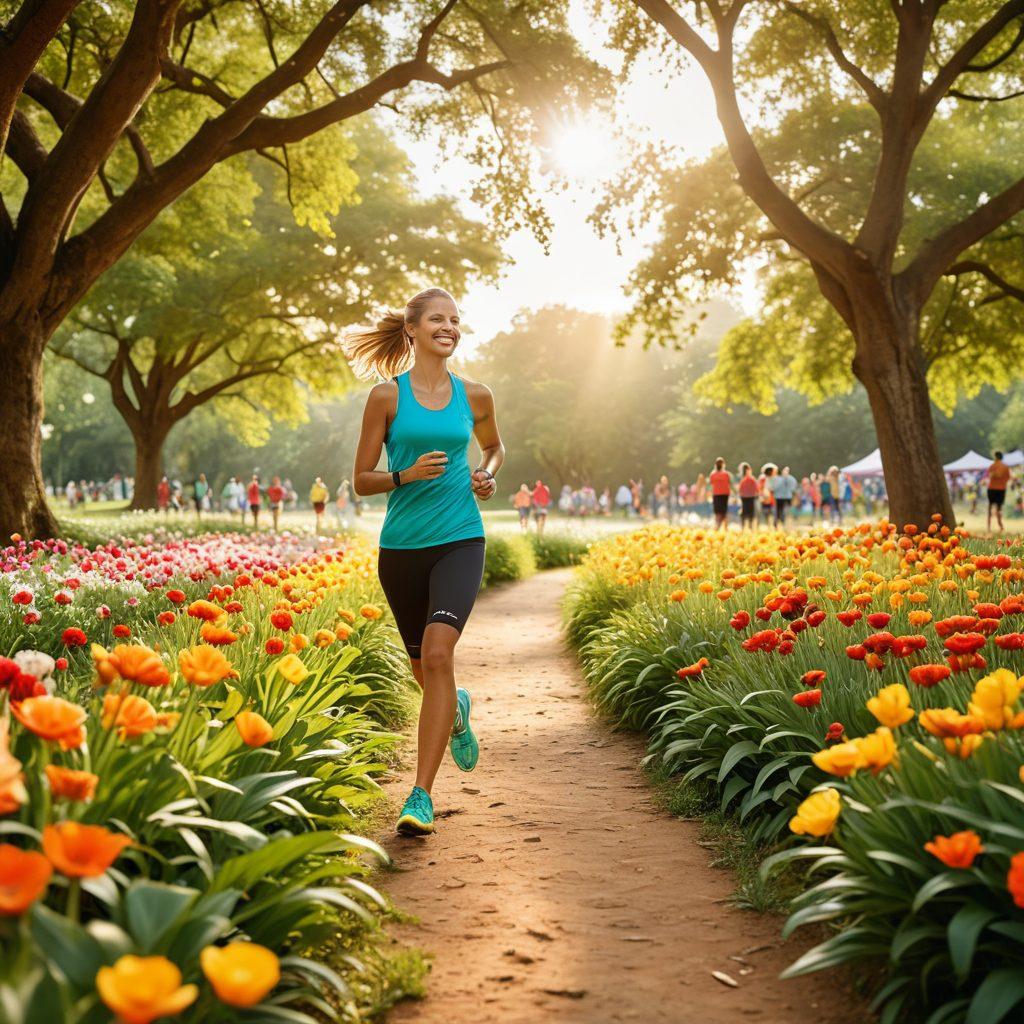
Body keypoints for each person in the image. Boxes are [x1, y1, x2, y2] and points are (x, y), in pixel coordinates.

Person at [348, 287, 503, 837]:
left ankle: (420, 796)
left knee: (438, 655)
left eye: (456, 320)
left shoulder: (476, 395)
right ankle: (455, 708)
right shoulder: (385, 398)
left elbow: (493, 447)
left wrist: (487, 473)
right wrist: (403, 476)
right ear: (412, 329)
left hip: (461, 539)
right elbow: (361, 480)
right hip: (401, 550)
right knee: (426, 669)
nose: (450, 327)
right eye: (438, 319)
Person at [984, 451, 1011, 532]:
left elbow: (989, 476)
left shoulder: (992, 466)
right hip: (1001, 489)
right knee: (999, 508)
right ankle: (1000, 526)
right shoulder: (1005, 467)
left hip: (992, 488)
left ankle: (989, 527)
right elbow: (1008, 477)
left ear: (996, 457)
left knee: (990, 507)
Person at [708, 457, 732, 530]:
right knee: (724, 511)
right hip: (725, 494)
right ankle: (726, 527)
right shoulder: (726, 474)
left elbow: (711, 485)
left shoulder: (712, 474)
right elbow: (729, 483)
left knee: (717, 512)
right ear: (723, 465)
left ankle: (717, 525)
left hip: (716, 494)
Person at [737, 462, 759, 531]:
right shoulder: (751, 479)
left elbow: (740, 489)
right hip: (750, 497)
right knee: (750, 512)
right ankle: (750, 527)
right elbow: (756, 488)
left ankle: (743, 527)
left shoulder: (742, 479)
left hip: (744, 496)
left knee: (744, 512)